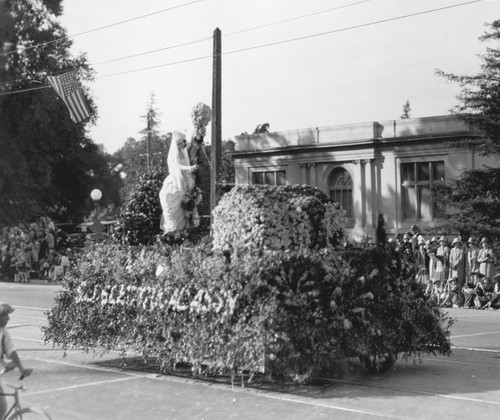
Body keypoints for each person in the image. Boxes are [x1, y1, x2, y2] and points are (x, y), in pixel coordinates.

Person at [159, 131, 199, 236]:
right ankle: (174, 231)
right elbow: (177, 167)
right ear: (178, 143)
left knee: (186, 204)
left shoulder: (182, 153)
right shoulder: (173, 155)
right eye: (183, 142)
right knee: (174, 201)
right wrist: (191, 168)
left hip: (183, 179)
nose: (185, 144)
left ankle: (184, 231)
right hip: (175, 180)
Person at [0, 303, 32, 418]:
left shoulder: (3, 332)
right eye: (6, 315)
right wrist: (5, 365)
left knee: (2, 408)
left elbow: (11, 351)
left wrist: (21, 369)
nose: (8, 318)